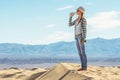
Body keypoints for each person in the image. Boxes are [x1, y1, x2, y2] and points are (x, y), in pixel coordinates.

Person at [69, 6, 87, 71]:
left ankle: (84, 67)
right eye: (77, 10)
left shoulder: (83, 20)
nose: (77, 12)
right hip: (76, 37)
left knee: (83, 52)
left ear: (81, 12)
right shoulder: (76, 20)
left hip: (80, 37)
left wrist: (83, 38)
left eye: (78, 10)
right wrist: (70, 17)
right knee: (79, 53)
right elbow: (70, 24)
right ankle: (82, 67)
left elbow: (85, 30)